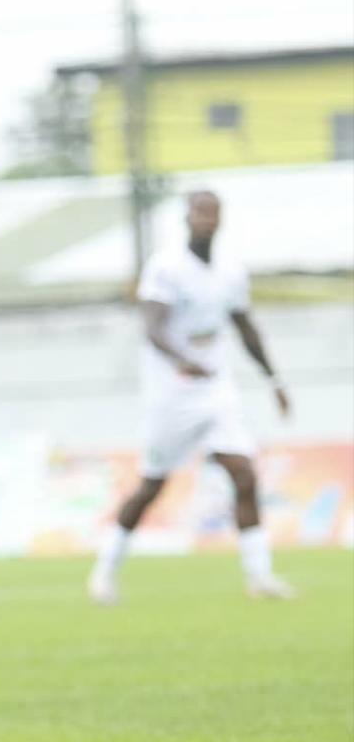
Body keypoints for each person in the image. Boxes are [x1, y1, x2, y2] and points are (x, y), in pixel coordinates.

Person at [87, 190, 296, 605]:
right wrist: (183, 360)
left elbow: (245, 326)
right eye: (199, 213)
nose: (206, 220)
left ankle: (260, 576)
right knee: (152, 485)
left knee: (244, 473)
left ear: (221, 219)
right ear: (187, 218)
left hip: (216, 389)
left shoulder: (231, 271)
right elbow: (152, 328)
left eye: (213, 214)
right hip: (172, 393)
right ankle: (104, 571)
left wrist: (274, 379)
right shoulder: (165, 268)